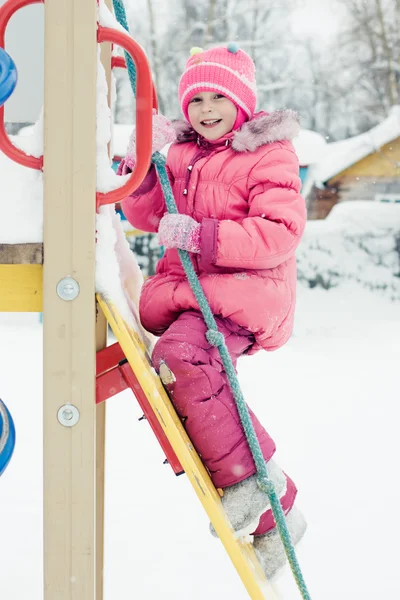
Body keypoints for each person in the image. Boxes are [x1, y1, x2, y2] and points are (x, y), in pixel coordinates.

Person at [118, 43, 307, 580]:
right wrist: (141, 161)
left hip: (246, 290)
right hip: (196, 293)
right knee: (186, 369)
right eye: (195, 98)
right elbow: (144, 210)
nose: (205, 108)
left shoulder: (269, 155)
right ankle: (275, 510)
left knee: (183, 356)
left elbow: (280, 233)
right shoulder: (181, 152)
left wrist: (204, 236)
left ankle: (251, 483)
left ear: (242, 101)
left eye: (218, 96)